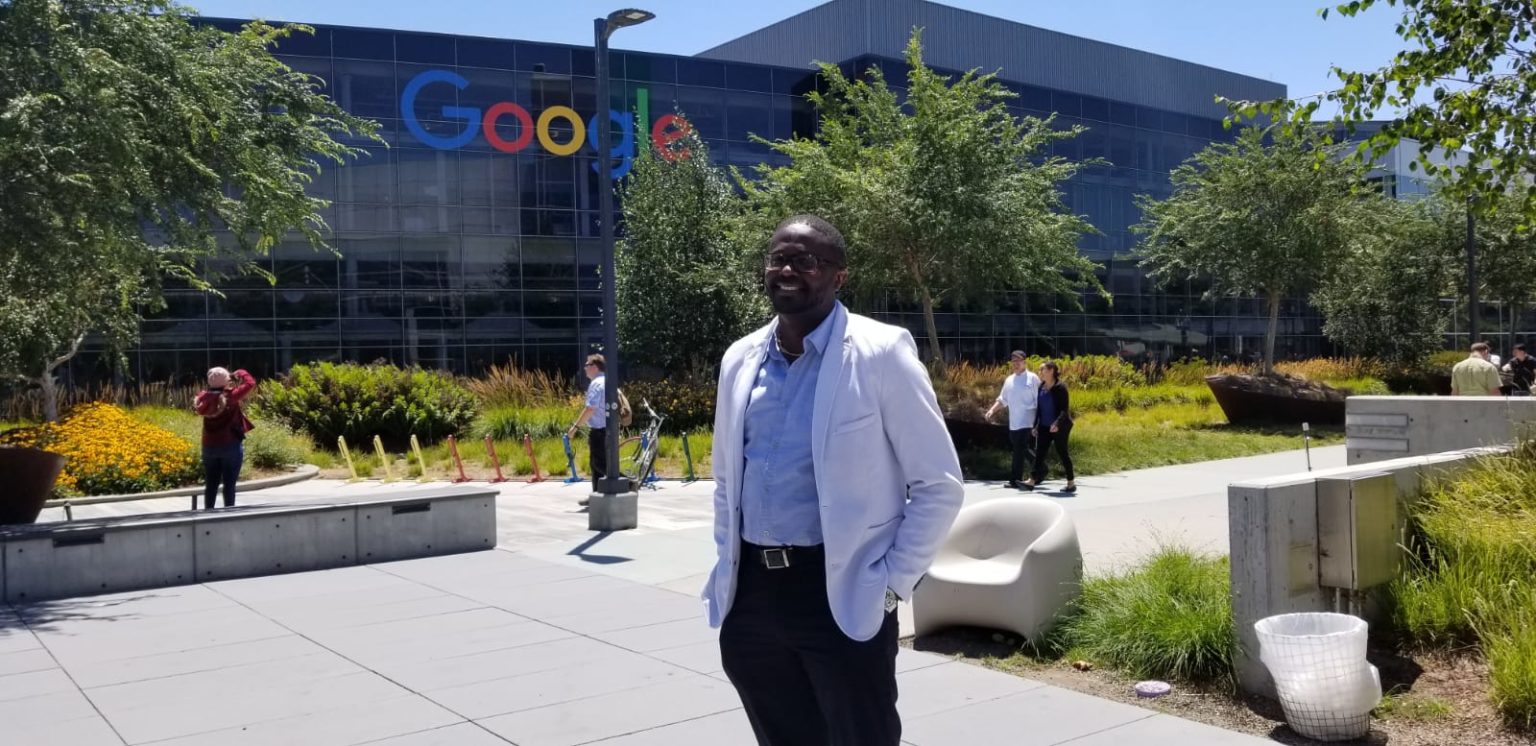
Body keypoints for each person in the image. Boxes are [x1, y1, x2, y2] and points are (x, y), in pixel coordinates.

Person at [704, 215, 964, 746]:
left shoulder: (881, 352)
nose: (788, 270)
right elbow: (727, 480)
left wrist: (891, 584)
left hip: (840, 589)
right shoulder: (739, 359)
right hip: (752, 593)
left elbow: (939, 485)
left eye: (806, 261)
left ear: (839, 276)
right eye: (779, 259)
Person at [193, 366, 256, 509]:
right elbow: (250, 383)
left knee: (211, 484)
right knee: (229, 484)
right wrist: (240, 372)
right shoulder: (231, 396)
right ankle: (229, 513)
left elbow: (209, 393)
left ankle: (208, 512)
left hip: (208, 446)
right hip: (230, 444)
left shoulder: (202, 397)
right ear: (227, 381)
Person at [983, 350, 1041, 489]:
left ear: (1024, 362)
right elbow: (1003, 399)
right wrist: (992, 410)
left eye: (1018, 361)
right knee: (1020, 449)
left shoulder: (1032, 378)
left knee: (1019, 449)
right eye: (1013, 361)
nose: (1016, 364)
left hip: (1028, 421)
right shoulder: (1009, 380)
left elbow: (1040, 399)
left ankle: (1015, 480)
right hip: (1014, 421)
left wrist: (1039, 421)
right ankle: (1041, 468)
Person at [1021, 360, 1076, 493]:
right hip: (1044, 426)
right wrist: (1035, 425)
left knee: (1062, 452)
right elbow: (1039, 409)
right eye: (1040, 370)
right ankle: (1032, 480)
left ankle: (1071, 483)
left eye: (1042, 369)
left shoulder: (1060, 388)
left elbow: (1064, 410)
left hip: (1060, 426)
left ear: (1051, 371)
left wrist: (1056, 424)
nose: (1040, 372)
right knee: (1040, 453)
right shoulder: (1041, 387)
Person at [568, 353, 607, 506]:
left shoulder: (596, 384)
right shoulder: (606, 381)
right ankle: (596, 495)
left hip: (599, 431)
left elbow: (590, 409)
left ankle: (628, 483)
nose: (584, 368)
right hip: (606, 429)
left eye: (587, 365)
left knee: (599, 464)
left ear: (595, 367)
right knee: (595, 465)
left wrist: (575, 427)